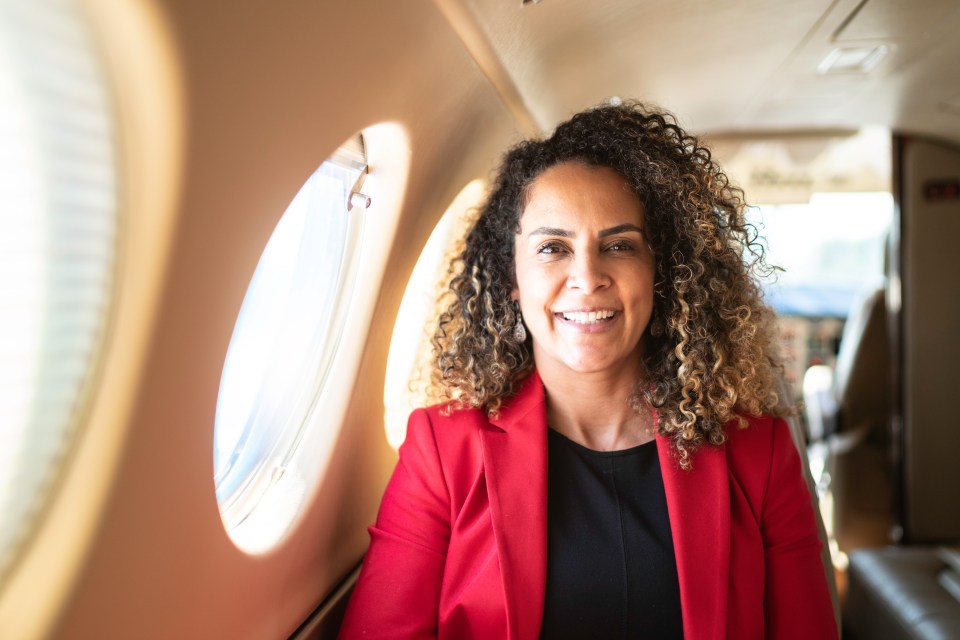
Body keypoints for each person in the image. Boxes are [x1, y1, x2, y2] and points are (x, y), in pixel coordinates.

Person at [339, 102, 838, 639]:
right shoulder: (442, 449)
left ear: (661, 273)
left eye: (619, 246)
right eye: (553, 248)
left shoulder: (758, 450)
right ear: (512, 277)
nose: (587, 276)